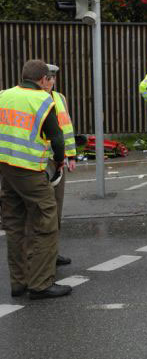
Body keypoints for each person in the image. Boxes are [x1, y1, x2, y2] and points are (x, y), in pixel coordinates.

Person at [0, 59, 72, 299]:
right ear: (43, 80)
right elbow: (57, 138)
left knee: (14, 224)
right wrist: (60, 160)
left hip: (6, 168)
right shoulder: (42, 99)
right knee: (46, 219)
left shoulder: (4, 95)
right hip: (29, 169)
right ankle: (40, 283)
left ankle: (18, 282)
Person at [44, 64, 76, 266]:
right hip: (39, 161)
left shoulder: (60, 98)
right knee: (41, 212)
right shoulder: (32, 99)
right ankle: (40, 257)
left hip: (58, 160)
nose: (51, 81)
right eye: (48, 77)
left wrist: (71, 155)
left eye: (53, 77)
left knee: (56, 209)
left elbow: (67, 128)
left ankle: (52, 253)